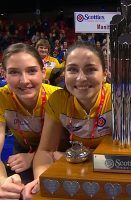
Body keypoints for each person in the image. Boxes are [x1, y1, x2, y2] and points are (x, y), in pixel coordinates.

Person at [23, 41, 111, 199]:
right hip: (76, 169)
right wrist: (42, 181)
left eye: (90, 69)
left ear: (105, 74)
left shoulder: (119, 98)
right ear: (64, 73)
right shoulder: (58, 100)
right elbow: (45, 151)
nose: (81, 78)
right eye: (72, 69)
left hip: (110, 170)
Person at [0, 43, 60, 199]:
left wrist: (33, 157)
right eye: (14, 72)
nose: (24, 80)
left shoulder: (59, 97)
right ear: (4, 74)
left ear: (43, 72)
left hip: (58, 152)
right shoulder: (1, 98)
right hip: (22, 150)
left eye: (32, 71)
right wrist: (3, 183)